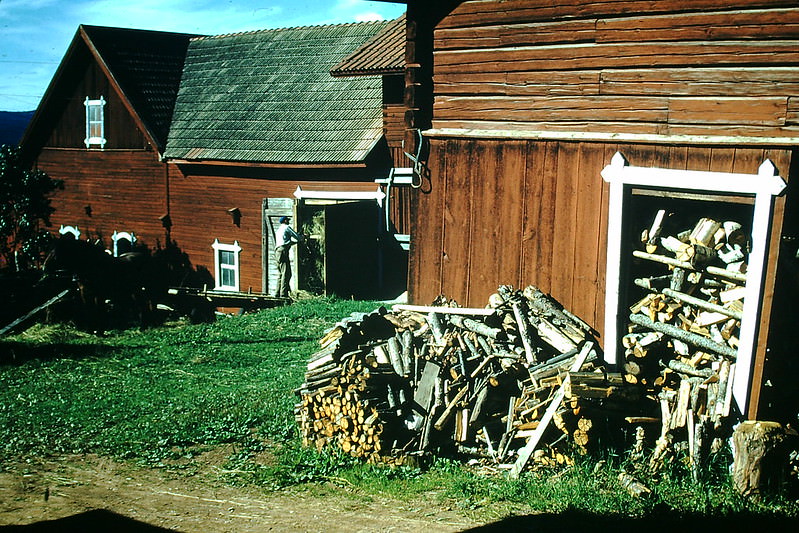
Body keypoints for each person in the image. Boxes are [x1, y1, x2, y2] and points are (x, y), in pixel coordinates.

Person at [274, 216, 303, 298]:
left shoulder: (279, 230)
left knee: (280, 273)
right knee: (286, 273)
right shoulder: (287, 227)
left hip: (277, 252)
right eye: (288, 220)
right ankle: (283, 294)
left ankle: (277, 293)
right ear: (285, 221)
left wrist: (295, 242)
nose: (288, 221)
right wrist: (302, 238)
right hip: (283, 251)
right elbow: (296, 236)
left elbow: (286, 242)